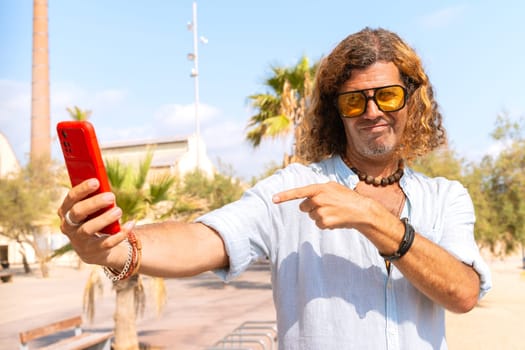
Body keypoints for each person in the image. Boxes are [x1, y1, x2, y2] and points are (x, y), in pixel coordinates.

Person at [59, 27, 491, 349]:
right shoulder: (295, 190)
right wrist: (115, 249)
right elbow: (205, 237)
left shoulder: (445, 196)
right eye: (355, 100)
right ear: (335, 112)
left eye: (389, 96)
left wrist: (374, 219)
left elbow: (463, 292)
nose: (373, 111)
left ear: (412, 100)